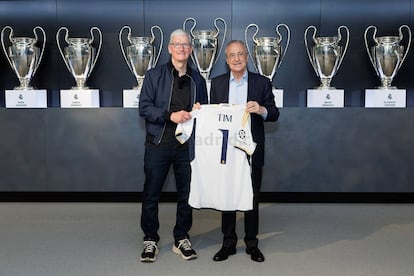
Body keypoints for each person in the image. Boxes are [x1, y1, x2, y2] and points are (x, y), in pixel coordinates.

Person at [138, 28, 208, 262]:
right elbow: (144, 108)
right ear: (169, 48)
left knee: (186, 194)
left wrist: (199, 111)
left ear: (190, 49)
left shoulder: (198, 79)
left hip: (186, 146)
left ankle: (181, 237)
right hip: (158, 144)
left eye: (186, 45)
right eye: (177, 44)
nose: (181, 48)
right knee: (151, 194)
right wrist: (171, 116)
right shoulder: (153, 75)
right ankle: (150, 239)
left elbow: (204, 112)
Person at [209, 40, 279, 263]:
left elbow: (275, 113)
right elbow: (212, 116)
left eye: (240, 54)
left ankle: (251, 244)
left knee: (252, 198)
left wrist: (261, 109)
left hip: (252, 149)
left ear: (247, 57)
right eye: (232, 55)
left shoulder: (262, 83)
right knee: (227, 197)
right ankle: (228, 243)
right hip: (226, 150)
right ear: (227, 60)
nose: (237, 59)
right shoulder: (217, 84)